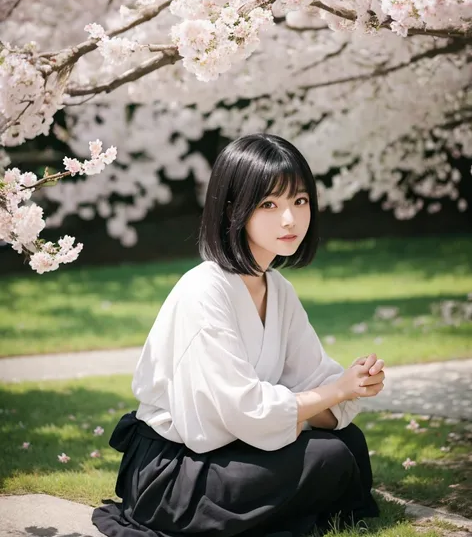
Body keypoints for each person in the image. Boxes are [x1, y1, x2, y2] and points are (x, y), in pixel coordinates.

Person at [92, 133, 385, 537]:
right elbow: (243, 411)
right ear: (234, 209)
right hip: (178, 469)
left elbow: (312, 379)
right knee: (329, 457)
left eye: (299, 201)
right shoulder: (204, 290)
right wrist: (336, 392)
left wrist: (347, 387)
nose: (290, 219)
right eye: (270, 204)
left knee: (349, 443)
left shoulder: (277, 288)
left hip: (232, 446)